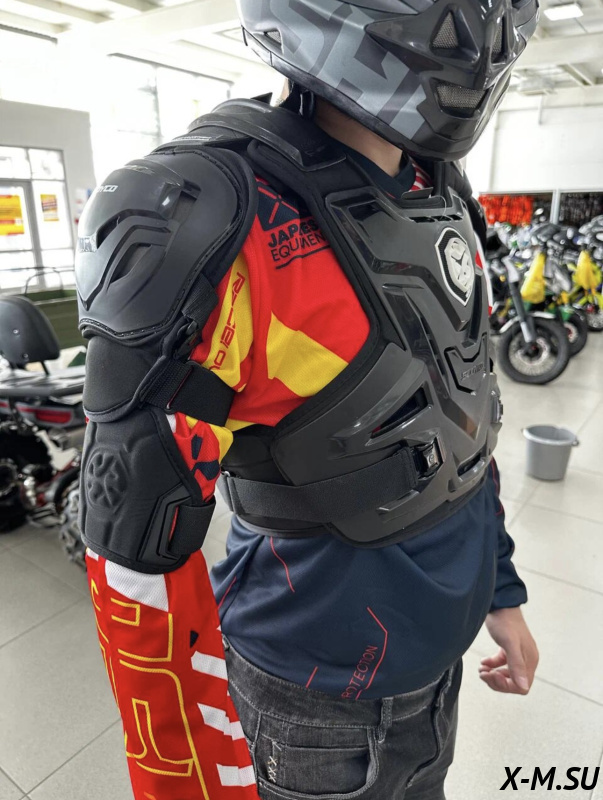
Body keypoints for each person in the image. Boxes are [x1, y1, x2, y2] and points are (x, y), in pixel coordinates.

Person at [75, 0, 540, 797]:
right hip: (311, 702)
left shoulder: (436, 189)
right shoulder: (209, 215)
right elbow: (133, 548)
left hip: (437, 666)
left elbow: (462, 416)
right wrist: (190, 782)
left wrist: (500, 592)